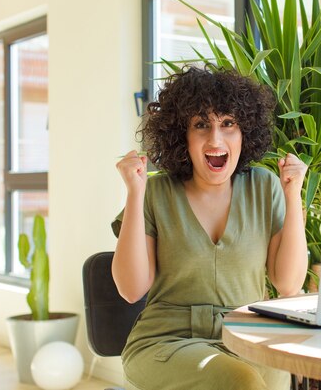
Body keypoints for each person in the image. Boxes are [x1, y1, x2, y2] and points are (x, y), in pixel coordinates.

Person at [111, 66, 308, 390]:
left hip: (245, 337)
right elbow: (131, 289)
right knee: (240, 381)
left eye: (228, 123)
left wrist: (292, 193)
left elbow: (287, 283)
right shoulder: (156, 193)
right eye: (201, 125)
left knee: (283, 374)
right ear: (182, 135)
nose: (215, 138)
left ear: (245, 132)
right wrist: (135, 193)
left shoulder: (265, 187)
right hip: (166, 342)